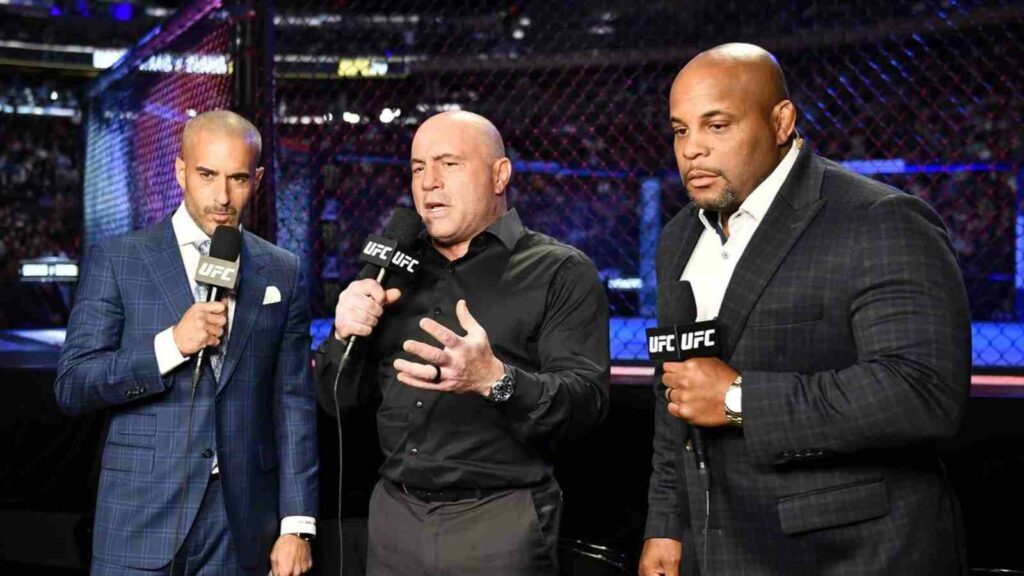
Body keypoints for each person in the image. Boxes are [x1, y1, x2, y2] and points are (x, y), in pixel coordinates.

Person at [640, 43, 971, 575]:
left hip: (859, 556)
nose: (692, 150)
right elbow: (676, 393)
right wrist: (666, 522)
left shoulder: (878, 219)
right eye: (681, 130)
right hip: (720, 551)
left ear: (781, 121)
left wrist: (738, 399)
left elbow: (923, 391)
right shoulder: (680, 237)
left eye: (717, 125)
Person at [315, 110, 610, 576]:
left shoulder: (560, 271)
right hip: (393, 516)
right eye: (417, 168)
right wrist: (341, 336)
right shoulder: (390, 269)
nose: (429, 182)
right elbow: (339, 404)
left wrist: (496, 381)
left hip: (497, 521)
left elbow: (587, 404)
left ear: (500, 175)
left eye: (448, 164)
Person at [55, 110, 318, 576]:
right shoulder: (119, 259)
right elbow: (74, 385)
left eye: (237, 178)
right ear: (180, 171)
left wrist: (296, 525)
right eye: (206, 175)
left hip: (238, 522)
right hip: (139, 514)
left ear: (256, 178)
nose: (222, 196)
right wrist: (171, 346)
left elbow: (292, 403)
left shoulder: (282, 269)